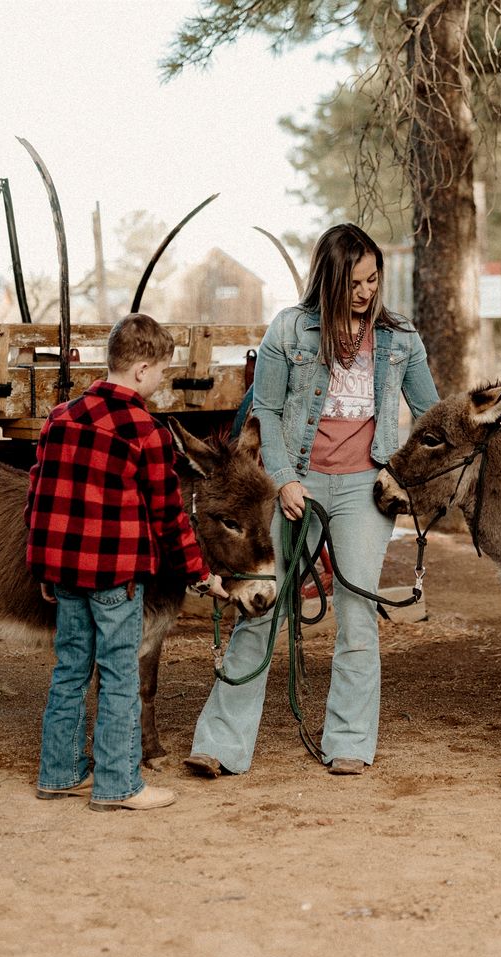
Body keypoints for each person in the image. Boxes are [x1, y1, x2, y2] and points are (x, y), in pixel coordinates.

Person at [186, 223, 439, 777]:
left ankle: (348, 739)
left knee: (356, 613)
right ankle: (221, 743)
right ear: (328, 280)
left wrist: (409, 479)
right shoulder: (289, 330)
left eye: (374, 279)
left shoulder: (402, 340)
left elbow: (432, 417)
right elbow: (268, 411)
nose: (367, 292)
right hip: (294, 483)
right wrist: (281, 478)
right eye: (354, 283)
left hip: (364, 490)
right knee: (263, 607)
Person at [26, 313, 227, 812]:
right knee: (119, 674)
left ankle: (60, 772)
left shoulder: (61, 417)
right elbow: (168, 516)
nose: (160, 382)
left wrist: (42, 567)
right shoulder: (146, 432)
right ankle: (118, 784)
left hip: (66, 573)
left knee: (70, 668)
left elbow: (38, 496)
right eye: (160, 372)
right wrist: (201, 574)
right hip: (117, 579)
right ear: (139, 369)